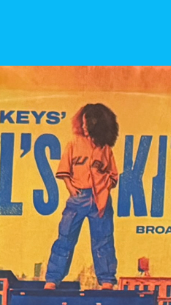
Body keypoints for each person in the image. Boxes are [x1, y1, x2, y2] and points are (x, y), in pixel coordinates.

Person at [46, 102, 120, 289]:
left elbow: (113, 175)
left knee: (103, 240)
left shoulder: (105, 149)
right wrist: (71, 189)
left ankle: (106, 280)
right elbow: (64, 170)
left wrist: (105, 188)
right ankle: (53, 278)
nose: (84, 126)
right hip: (78, 198)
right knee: (65, 237)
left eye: (88, 123)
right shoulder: (73, 144)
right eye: (83, 123)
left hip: (100, 200)